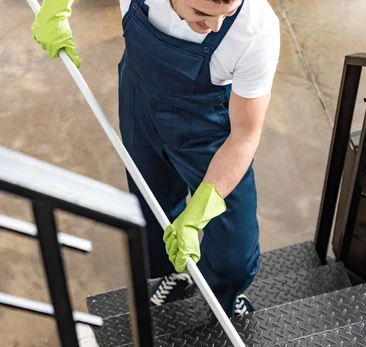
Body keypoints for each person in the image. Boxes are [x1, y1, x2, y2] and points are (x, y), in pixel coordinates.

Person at [31, 0, 280, 317]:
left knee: (235, 252)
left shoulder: (256, 31)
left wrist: (206, 201)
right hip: (140, 106)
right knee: (152, 207)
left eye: (226, 14)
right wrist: (56, 6)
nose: (216, 26)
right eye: (202, 14)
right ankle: (173, 272)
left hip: (209, 130)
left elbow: (245, 133)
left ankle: (225, 297)